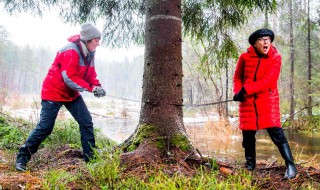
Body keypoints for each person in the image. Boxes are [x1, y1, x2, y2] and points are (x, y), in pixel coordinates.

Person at [15, 23, 106, 172]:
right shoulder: (70, 51)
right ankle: (22, 157)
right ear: (88, 39)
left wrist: (98, 86)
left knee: (86, 121)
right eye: (96, 40)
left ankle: (91, 159)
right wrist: (91, 88)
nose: (98, 43)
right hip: (53, 92)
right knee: (45, 128)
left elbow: (90, 74)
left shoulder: (91, 52)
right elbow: (69, 77)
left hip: (71, 94)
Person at [233, 28, 298, 179]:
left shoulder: (276, 57)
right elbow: (237, 77)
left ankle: (291, 166)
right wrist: (237, 92)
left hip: (267, 101)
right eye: (262, 39)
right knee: (248, 136)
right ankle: (250, 166)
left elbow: (269, 81)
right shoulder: (244, 57)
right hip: (248, 102)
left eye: (268, 39)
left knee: (277, 135)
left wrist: (246, 89)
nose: (266, 42)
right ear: (255, 43)